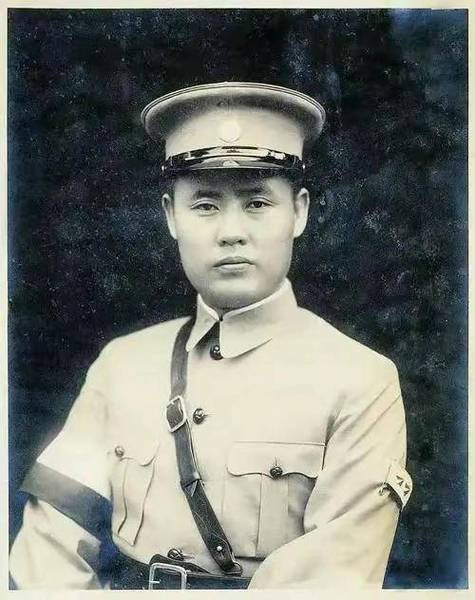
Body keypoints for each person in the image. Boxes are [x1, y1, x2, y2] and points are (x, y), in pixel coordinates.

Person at [9, 82, 412, 590]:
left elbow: (330, 579)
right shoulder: (121, 364)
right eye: (204, 205)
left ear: (300, 212)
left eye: (257, 203)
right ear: (170, 216)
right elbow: (50, 548)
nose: (231, 232)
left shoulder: (360, 380)